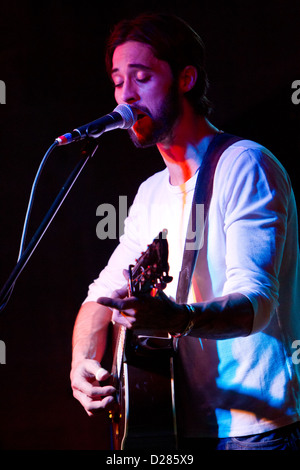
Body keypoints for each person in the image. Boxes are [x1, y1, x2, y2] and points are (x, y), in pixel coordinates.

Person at [70, 12, 300, 450]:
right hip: (179, 423)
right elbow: (99, 297)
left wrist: (178, 320)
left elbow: (258, 302)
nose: (125, 96)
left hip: (258, 428)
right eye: (118, 81)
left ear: (186, 78)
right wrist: (81, 364)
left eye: (141, 77)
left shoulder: (244, 164)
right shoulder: (150, 192)